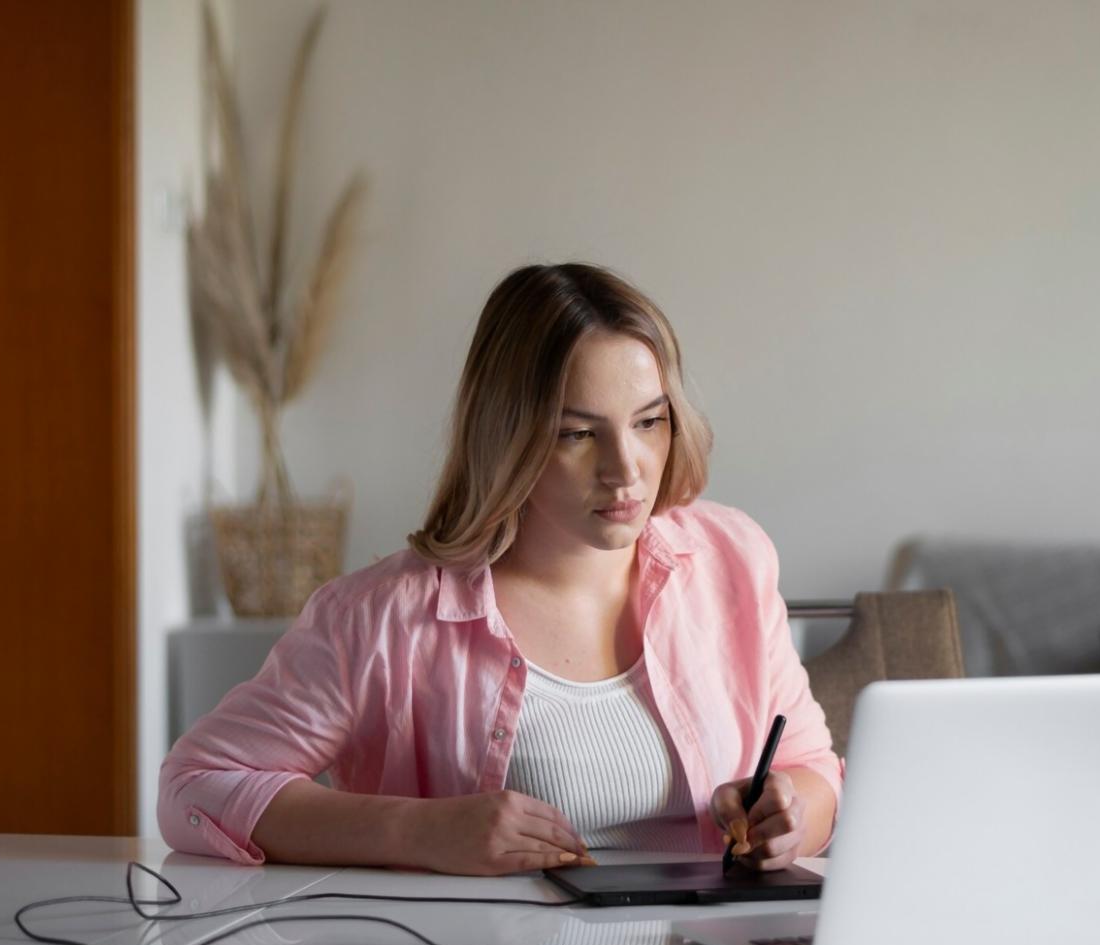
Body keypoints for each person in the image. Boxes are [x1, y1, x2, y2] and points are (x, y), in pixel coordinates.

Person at [158, 263, 842, 876]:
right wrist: (419, 831)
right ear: (508, 436)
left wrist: (792, 818)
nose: (625, 468)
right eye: (577, 433)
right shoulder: (387, 616)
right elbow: (196, 784)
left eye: (649, 422)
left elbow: (814, 771)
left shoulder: (731, 557)